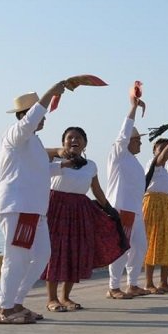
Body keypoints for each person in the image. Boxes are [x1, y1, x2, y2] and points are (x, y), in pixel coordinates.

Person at [0, 81, 67, 324]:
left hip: (35, 210)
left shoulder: (33, 142)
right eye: (38, 112)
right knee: (17, 258)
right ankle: (5, 309)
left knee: (42, 255)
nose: (44, 117)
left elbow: (41, 170)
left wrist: (63, 165)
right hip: (19, 207)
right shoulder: (15, 133)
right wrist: (52, 92)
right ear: (26, 115)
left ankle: (16, 303)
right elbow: (33, 118)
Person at [42, 126, 125, 311]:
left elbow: (97, 190)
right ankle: (51, 299)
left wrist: (110, 209)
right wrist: (57, 151)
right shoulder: (55, 159)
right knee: (55, 253)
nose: (74, 140)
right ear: (63, 142)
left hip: (80, 210)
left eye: (78, 138)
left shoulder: (91, 165)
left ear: (85, 143)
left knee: (74, 252)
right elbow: (35, 152)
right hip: (56, 209)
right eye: (69, 137)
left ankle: (65, 297)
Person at [107, 93, 150, 298]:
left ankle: (132, 284)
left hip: (135, 210)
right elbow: (123, 134)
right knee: (121, 249)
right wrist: (133, 108)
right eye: (138, 141)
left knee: (140, 247)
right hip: (121, 208)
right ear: (129, 141)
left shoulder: (133, 161)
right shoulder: (118, 154)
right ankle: (114, 287)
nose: (141, 144)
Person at [142, 128, 168, 293]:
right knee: (152, 242)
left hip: (166, 206)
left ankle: (163, 282)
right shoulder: (153, 163)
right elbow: (162, 157)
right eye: (161, 148)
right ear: (154, 151)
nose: (165, 152)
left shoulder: (165, 169)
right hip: (153, 204)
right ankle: (149, 283)